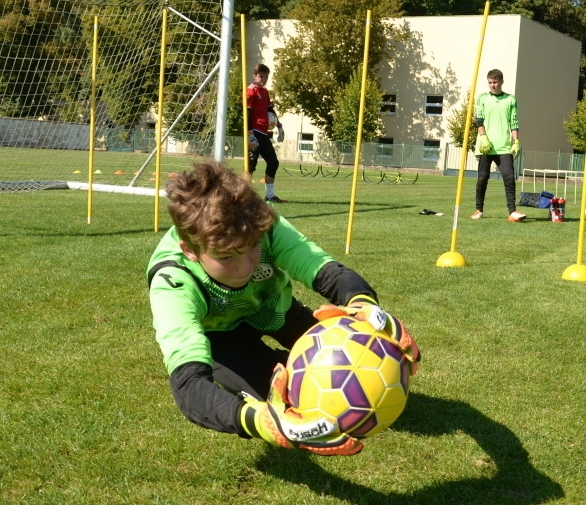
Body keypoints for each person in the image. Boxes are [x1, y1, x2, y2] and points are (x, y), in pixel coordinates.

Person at [146, 160, 420, 456]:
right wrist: (261, 422)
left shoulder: (261, 224)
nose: (245, 267)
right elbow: (189, 384)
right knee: (289, 403)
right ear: (190, 250)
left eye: (253, 247)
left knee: (357, 351)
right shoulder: (172, 282)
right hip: (219, 337)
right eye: (225, 257)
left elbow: (326, 271)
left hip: (275, 309)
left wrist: (365, 307)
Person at [471, 69, 524, 222]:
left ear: (501, 82)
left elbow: (514, 122)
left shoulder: (510, 99)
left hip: (504, 147)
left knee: (509, 178)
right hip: (486, 146)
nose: (492, 85)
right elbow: (479, 120)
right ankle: (479, 210)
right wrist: (483, 138)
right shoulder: (482, 98)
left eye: (495, 82)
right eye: (490, 82)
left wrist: (516, 142)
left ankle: (512, 212)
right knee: (482, 178)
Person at [246, 63, 285, 203]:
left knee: (273, 162)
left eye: (266, 77)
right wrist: (250, 134)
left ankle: (270, 195)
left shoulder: (264, 91)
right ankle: (244, 197)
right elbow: (246, 114)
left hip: (263, 133)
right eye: (261, 76)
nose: (263, 80)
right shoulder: (250, 91)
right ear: (254, 76)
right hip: (254, 132)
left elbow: (270, 110)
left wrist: (279, 126)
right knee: (250, 165)